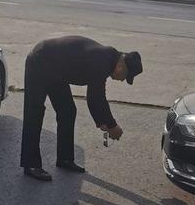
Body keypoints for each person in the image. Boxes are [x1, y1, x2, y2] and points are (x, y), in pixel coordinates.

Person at [20, 36, 143, 181]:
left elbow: (95, 98)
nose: (122, 80)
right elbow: (95, 98)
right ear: (122, 67)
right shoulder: (102, 61)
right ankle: (31, 164)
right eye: (125, 77)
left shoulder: (108, 59)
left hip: (57, 70)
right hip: (40, 61)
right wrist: (112, 125)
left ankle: (65, 159)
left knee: (68, 111)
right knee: (34, 112)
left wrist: (101, 121)